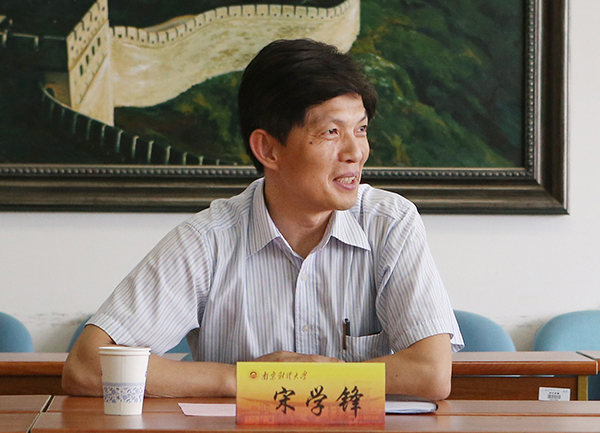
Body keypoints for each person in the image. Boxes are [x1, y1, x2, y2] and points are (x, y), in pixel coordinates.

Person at [62, 38, 463, 400]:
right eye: (331, 132)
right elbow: (87, 366)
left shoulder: (389, 223)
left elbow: (431, 373)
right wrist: (247, 380)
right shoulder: (208, 240)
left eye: (360, 129)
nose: (355, 152)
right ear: (268, 150)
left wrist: (321, 377)